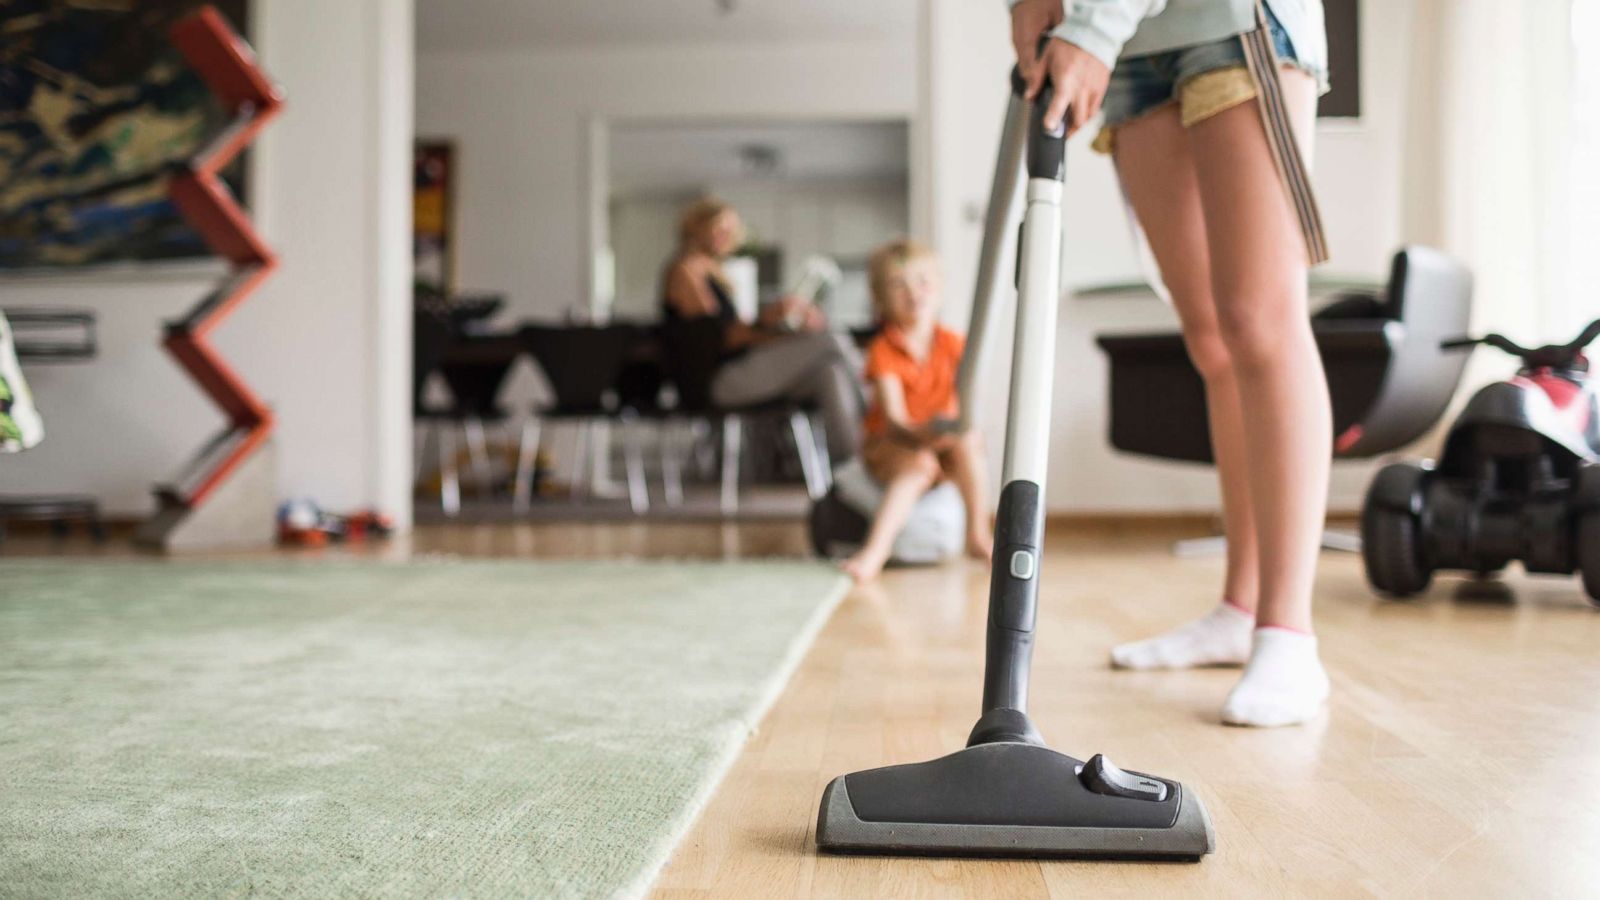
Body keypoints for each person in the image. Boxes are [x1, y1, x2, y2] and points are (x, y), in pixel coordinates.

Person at [1007, 0, 1332, 727]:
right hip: (1132, 43)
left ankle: (1288, 634)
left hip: (1230, 20)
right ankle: (1240, 609)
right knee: (1212, 338)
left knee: (1260, 320)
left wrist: (1090, 27)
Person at [660, 198, 863, 461]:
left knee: (830, 372)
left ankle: (854, 464)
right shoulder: (686, 270)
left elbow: (740, 331)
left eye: (731, 229)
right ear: (697, 228)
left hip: (737, 371)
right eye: (718, 228)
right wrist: (775, 323)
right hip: (716, 381)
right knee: (831, 340)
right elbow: (722, 336)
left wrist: (781, 321)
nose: (726, 235)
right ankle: (881, 418)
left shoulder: (716, 274)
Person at [841, 240, 993, 583]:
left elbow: (968, 406)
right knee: (920, 466)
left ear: (938, 289)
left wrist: (954, 434)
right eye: (899, 284)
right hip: (893, 442)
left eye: (923, 281)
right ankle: (875, 551)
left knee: (969, 441)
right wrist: (927, 437)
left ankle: (978, 535)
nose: (914, 293)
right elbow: (894, 421)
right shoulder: (883, 350)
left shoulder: (955, 345)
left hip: (940, 438)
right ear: (881, 299)